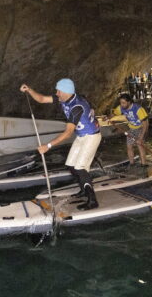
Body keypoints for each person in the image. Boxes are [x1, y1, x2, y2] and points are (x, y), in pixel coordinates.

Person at [20, 79, 101, 210]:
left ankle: (92, 201)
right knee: (71, 166)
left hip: (91, 137)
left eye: (58, 91)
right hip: (81, 136)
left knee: (80, 168)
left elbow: (68, 133)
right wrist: (29, 90)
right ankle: (83, 190)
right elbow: (41, 99)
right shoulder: (64, 99)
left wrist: (48, 146)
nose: (56, 93)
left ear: (66, 91)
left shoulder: (77, 106)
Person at [109, 93, 149, 167]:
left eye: (123, 103)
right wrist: (109, 118)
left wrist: (140, 137)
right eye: (120, 103)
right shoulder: (121, 107)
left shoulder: (138, 109)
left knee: (140, 145)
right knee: (129, 146)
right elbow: (114, 114)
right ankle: (132, 164)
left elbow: (145, 124)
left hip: (141, 127)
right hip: (132, 128)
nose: (122, 105)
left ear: (129, 102)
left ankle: (143, 165)